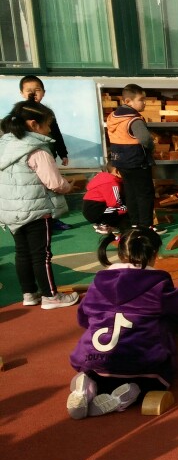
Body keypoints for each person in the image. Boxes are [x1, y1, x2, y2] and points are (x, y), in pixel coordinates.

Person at [67, 228, 178, 418]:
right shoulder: (157, 285)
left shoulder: (98, 283)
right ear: (154, 254)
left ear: (120, 253)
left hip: (94, 361)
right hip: (139, 363)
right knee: (156, 381)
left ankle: (85, 385)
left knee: (93, 372)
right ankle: (123, 396)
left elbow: (83, 318)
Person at [0, 101, 78, 310]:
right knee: (41, 255)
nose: (50, 129)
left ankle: (29, 293)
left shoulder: (5, 145)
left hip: (11, 211)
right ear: (34, 124)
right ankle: (50, 296)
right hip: (36, 209)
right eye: (49, 124)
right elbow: (54, 182)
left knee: (22, 253)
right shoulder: (37, 149)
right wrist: (67, 186)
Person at [20, 75, 72, 230]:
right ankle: (34, 222)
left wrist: (63, 153)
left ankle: (53, 220)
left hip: (48, 156)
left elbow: (56, 134)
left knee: (51, 188)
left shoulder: (47, 113)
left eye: (37, 90)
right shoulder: (20, 113)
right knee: (33, 190)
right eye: (29, 90)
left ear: (43, 92)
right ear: (22, 93)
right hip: (28, 161)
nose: (33, 94)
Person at [105, 84, 158, 231]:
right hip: (137, 161)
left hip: (120, 161)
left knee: (130, 192)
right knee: (145, 194)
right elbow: (145, 139)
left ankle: (134, 223)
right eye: (141, 99)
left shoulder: (113, 117)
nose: (144, 103)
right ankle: (146, 226)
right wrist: (152, 147)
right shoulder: (134, 120)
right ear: (128, 101)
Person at [82, 162, 128, 235]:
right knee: (126, 208)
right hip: (96, 211)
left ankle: (101, 222)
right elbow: (114, 204)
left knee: (122, 208)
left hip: (90, 210)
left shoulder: (104, 178)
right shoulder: (112, 182)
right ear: (117, 171)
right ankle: (105, 225)